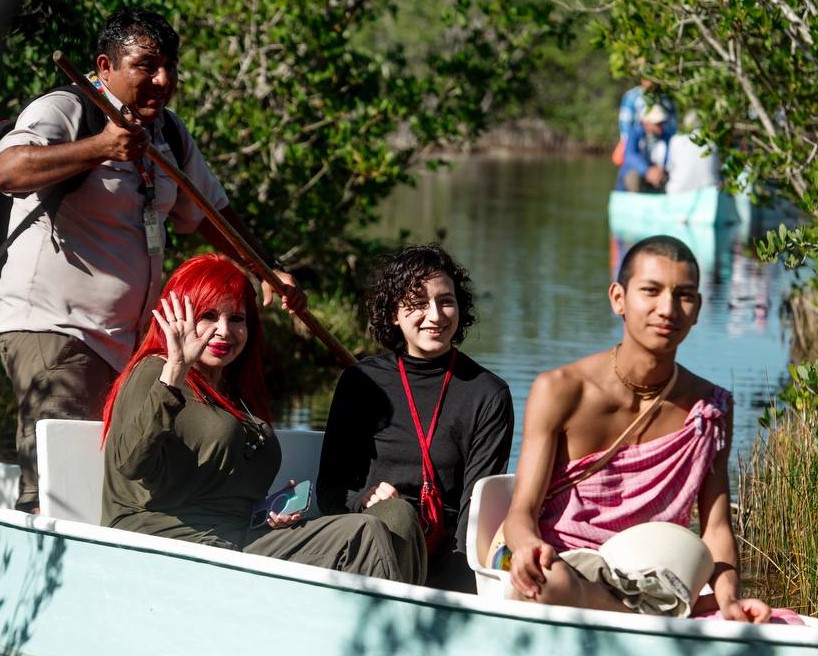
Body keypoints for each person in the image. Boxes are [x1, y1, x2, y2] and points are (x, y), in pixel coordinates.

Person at [0, 9, 302, 513]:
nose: (162, 80)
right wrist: (99, 147)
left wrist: (265, 268)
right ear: (106, 65)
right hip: (55, 329)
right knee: (59, 487)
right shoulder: (67, 109)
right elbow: (8, 170)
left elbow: (209, 212)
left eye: (170, 68)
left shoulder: (169, 134)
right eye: (146, 66)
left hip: (125, 343)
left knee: (115, 474)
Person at [501, 235, 772, 622]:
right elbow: (521, 512)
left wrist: (728, 599)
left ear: (697, 310)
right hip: (562, 564)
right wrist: (527, 546)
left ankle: (662, 615)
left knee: (765, 618)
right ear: (618, 299)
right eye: (651, 290)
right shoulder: (560, 390)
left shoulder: (708, 409)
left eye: (684, 295)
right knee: (550, 582)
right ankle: (658, 623)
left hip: (655, 580)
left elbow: (716, 528)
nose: (668, 309)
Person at [100, 254, 410, 580]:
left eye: (237, 318)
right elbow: (131, 460)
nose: (224, 331)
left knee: (380, 523)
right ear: (179, 318)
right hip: (165, 540)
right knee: (362, 536)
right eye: (209, 315)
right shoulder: (155, 371)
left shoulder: (235, 390)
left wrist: (265, 511)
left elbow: (216, 486)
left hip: (239, 539)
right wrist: (175, 370)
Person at [317, 244, 514, 592]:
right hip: (368, 545)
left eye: (446, 301)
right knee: (396, 516)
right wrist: (360, 500)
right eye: (418, 303)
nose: (435, 315)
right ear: (394, 313)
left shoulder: (488, 394)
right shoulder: (361, 382)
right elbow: (331, 490)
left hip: (443, 555)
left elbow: (476, 508)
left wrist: (456, 588)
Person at [615, 79, 678, 165]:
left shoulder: (667, 97)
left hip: (661, 148)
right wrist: (628, 146)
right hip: (638, 147)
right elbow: (625, 126)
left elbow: (673, 126)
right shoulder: (632, 96)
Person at [616, 105, 673, 193]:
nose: (660, 126)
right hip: (636, 175)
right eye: (657, 123)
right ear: (646, 123)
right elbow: (629, 156)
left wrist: (661, 170)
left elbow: (669, 157)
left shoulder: (667, 137)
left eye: (661, 123)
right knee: (633, 176)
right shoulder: (634, 134)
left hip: (657, 174)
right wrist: (647, 171)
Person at [666, 110, 721, 194]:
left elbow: (669, 167)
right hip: (710, 192)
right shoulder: (712, 141)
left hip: (679, 191)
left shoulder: (675, 140)